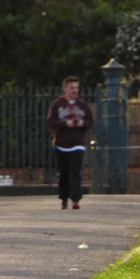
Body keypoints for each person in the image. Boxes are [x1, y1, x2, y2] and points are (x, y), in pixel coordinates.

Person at [46, 77, 93, 209]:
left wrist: (83, 123)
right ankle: (64, 198)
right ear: (65, 88)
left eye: (76, 88)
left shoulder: (83, 105)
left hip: (78, 143)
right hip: (61, 144)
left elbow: (90, 122)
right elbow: (51, 122)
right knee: (63, 173)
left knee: (75, 172)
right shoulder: (57, 104)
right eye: (72, 88)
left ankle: (76, 199)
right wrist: (65, 123)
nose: (74, 90)